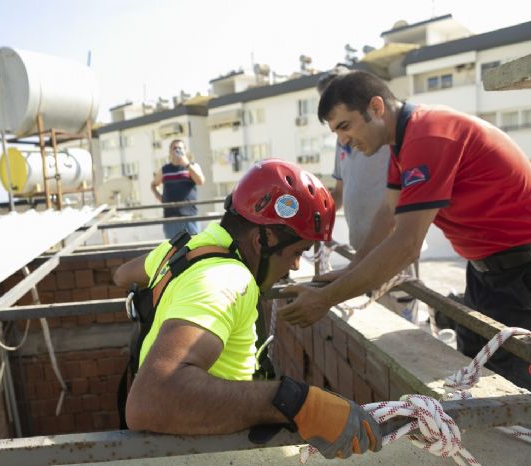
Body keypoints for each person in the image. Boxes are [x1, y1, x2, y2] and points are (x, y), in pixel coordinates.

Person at [280, 70, 531, 389]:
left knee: (506, 385)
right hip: (486, 269)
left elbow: (406, 244)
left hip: (519, 271)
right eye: (336, 132)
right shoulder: (403, 142)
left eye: (345, 126)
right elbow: (388, 214)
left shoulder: (427, 136)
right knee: (473, 371)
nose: (343, 142)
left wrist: (327, 298)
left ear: (376, 107)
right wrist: (351, 270)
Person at [115, 159, 381, 459]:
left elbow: (123, 274)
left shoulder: (184, 249)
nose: (294, 266)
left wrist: (167, 285)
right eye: (296, 252)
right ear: (262, 239)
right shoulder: (228, 279)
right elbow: (152, 399)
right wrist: (299, 404)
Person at [318, 68, 419, 323]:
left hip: (393, 249)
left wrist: (325, 297)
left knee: (403, 325)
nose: (342, 136)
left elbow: (404, 232)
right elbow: (344, 197)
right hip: (363, 248)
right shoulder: (348, 141)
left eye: (343, 122)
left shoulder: (396, 135)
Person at [151, 139, 206, 239]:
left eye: (180, 148)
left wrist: (186, 164)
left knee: (193, 248)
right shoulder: (165, 169)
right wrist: (161, 198)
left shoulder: (193, 166)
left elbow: (200, 181)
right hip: (170, 218)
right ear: (170, 152)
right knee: (173, 251)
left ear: (185, 150)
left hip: (190, 216)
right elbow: (154, 185)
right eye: (174, 148)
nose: (177, 150)